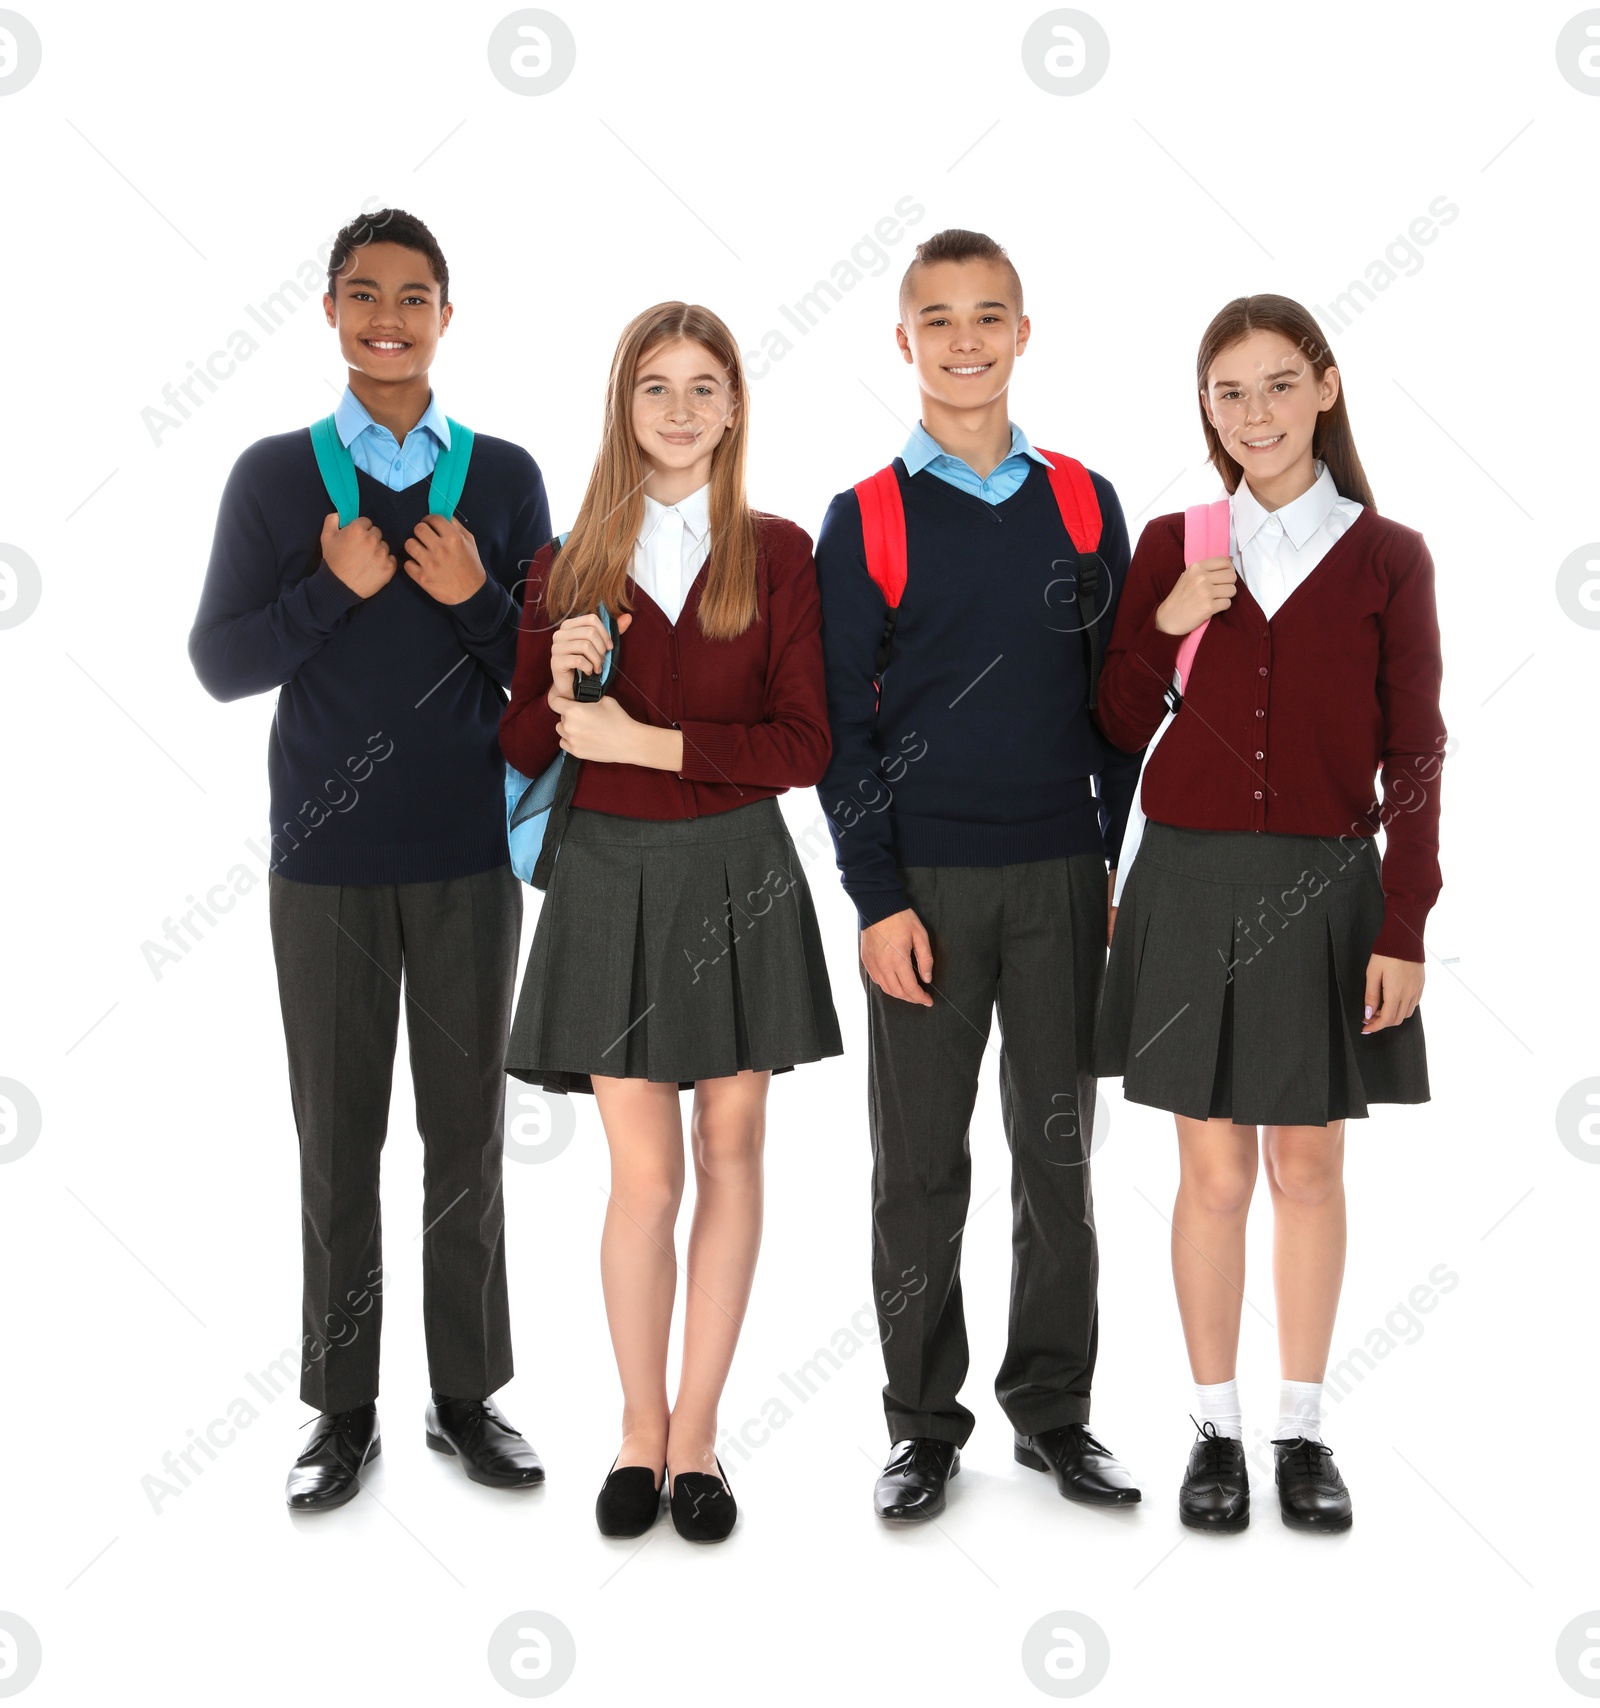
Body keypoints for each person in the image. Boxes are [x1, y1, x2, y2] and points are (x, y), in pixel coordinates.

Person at [189, 208, 552, 1512]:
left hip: (466, 856)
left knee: (465, 1137)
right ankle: (342, 1414)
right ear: (332, 313)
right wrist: (332, 587)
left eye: (412, 296)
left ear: (447, 317)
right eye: (362, 294)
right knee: (337, 1138)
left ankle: (468, 1398)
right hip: (325, 862)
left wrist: (472, 599)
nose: (387, 316)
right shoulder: (277, 479)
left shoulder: (504, 478)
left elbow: (547, 681)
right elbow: (222, 663)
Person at [1094, 294, 1445, 1533]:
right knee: (1209, 1170)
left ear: (1327, 389)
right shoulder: (1172, 543)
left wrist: (1404, 920)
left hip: (1327, 887)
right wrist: (1165, 626)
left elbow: (1415, 753)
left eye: (1278, 385)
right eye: (1227, 392)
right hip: (1184, 878)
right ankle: (1211, 1426)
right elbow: (1118, 724)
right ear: (1205, 408)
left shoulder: (1388, 554)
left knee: (1306, 1161)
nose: (1254, 413)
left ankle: (1300, 1425)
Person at [814, 229, 1144, 1524]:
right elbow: (840, 732)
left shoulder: (1083, 500)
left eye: (987, 316)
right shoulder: (869, 517)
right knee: (917, 1171)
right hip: (927, 895)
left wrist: (1104, 859)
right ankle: (920, 1426)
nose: (964, 340)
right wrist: (876, 897)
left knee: (1056, 1157)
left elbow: (1122, 703)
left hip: (1060, 875)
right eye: (937, 319)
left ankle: (1054, 1415)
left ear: (1022, 332)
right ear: (905, 343)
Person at [499, 302, 841, 1543]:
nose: (682, 410)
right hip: (606, 873)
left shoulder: (780, 551)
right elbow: (525, 748)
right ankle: (637, 1431)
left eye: (705, 387)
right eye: (657, 387)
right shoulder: (564, 561)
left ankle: (699, 1436)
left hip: (737, 870)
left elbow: (804, 745)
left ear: (736, 406)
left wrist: (647, 740)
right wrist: (550, 681)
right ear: (622, 404)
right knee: (641, 1178)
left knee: (731, 1151)